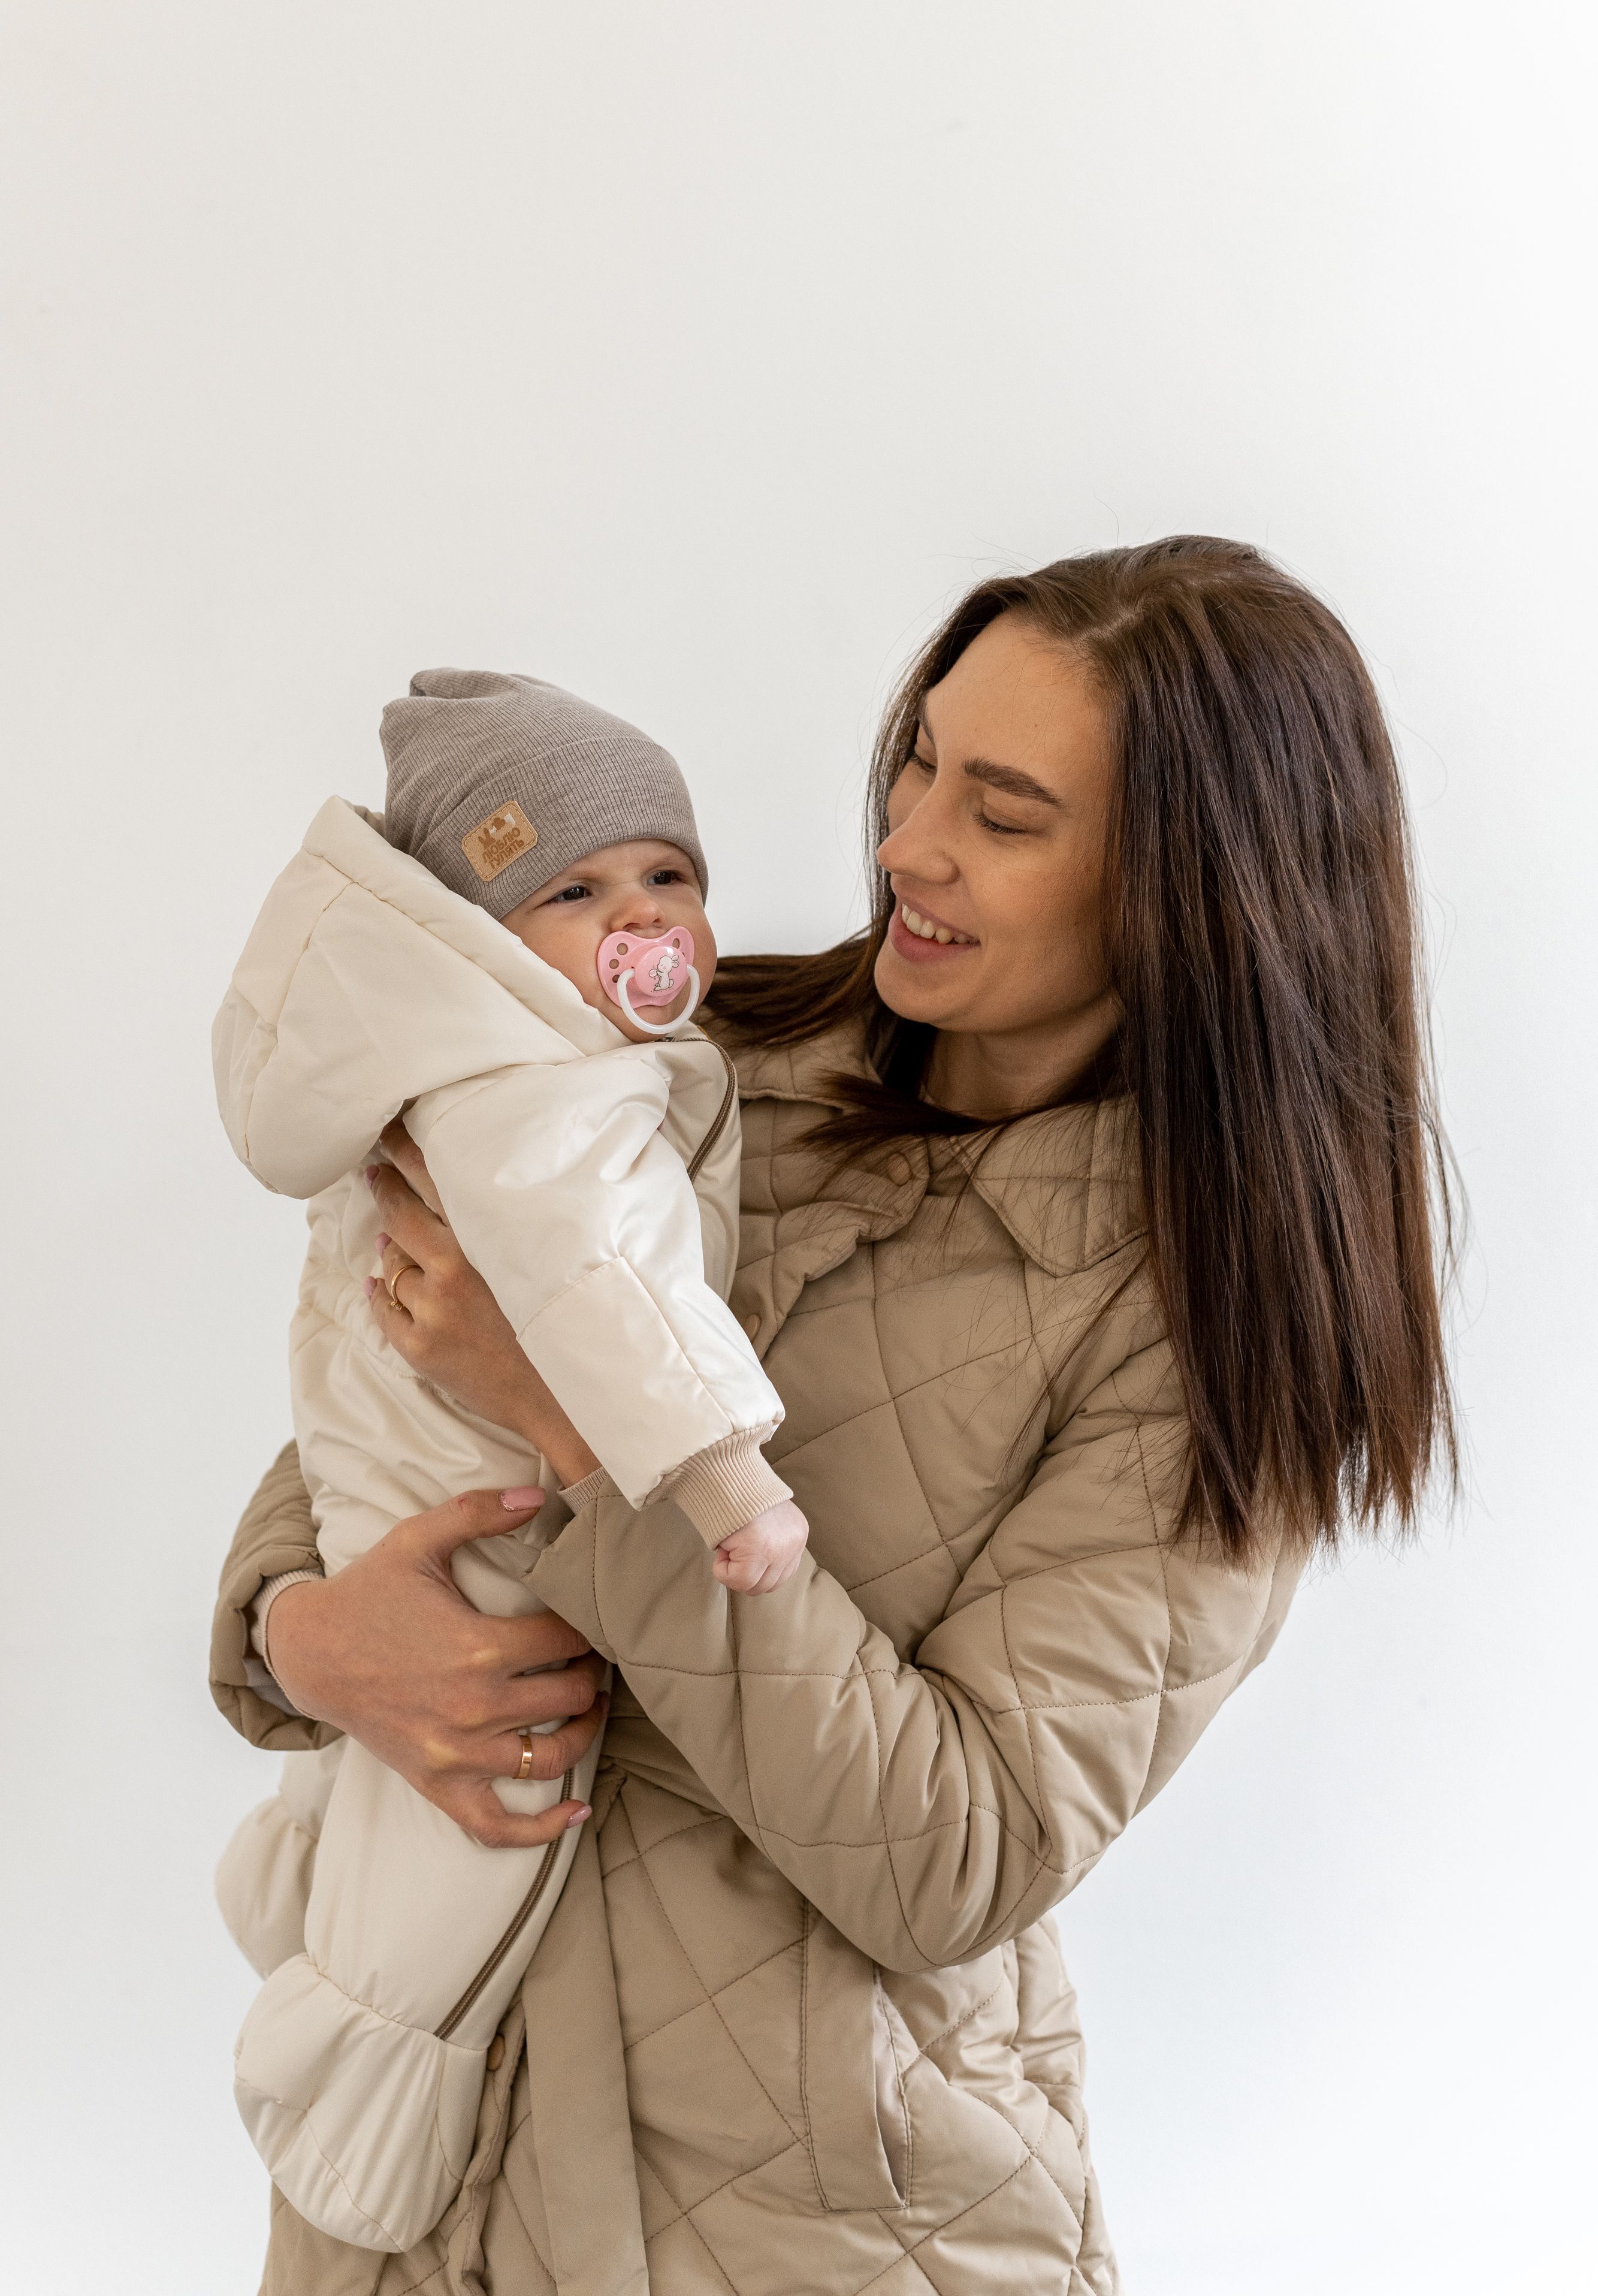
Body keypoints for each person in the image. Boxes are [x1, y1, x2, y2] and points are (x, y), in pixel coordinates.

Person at [209, 538, 1456, 2296]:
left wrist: (586, 1433)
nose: (904, 845)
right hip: (419, 2174)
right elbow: (382, 1380)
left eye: (1002, 815)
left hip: (818, 2224)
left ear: (1188, 889)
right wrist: (300, 1631)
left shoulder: (1210, 1338)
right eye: (918, 763)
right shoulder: (687, 1052)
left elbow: (956, 1858)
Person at [213, 669, 807, 2252]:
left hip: (402, 1467)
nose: (644, 917)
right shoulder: (541, 1094)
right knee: (496, 1786)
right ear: (475, 935)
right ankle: (351, 2074)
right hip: (480, 1492)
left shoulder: (486, 1058)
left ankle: (302, 1880)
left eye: (669, 874)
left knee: (409, 1751)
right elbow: (614, 1297)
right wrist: (728, 1482)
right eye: (575, 891)